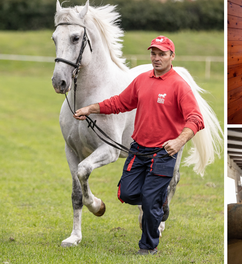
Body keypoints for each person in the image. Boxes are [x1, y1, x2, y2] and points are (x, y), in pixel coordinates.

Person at [73, 36, 204, 255]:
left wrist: (179, 141)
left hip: (162, 154)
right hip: (138, 150)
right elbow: (119, 103)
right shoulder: (142, 80)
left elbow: (196, 119)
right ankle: (161, 201)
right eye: (153, 53)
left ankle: (147, 246)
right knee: (126, 193)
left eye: (162, 54)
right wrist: (90, 109)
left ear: (172, 56)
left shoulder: (180, 85)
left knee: (150, 202)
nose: (156, 58)